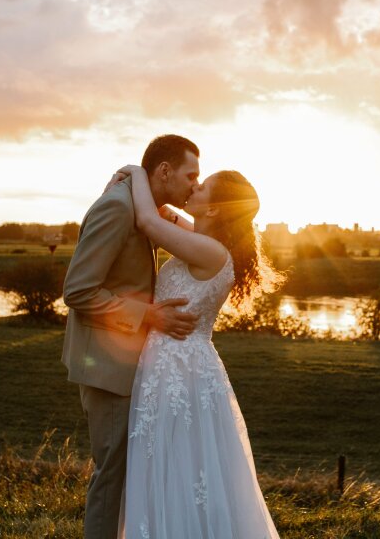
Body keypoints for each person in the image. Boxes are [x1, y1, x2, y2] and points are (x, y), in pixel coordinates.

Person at [115, 163, 282, 539]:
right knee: (177, 464)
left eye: (202, 186)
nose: (194, 186)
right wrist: (162, 200)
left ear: (214, 209)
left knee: (179, 463)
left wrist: (137, 173)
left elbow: (148, 221)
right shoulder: (205, 242)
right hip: (176, 362)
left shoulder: (209, 251)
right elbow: (165, 217)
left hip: (179, 367)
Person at [62, 135, 203, 539]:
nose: (195, 184)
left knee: (126, 475)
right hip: (105, 369)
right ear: (164, 171)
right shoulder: (116, 207)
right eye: (190, 174)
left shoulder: (143, 208)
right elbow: (78, 290)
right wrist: (149, 317)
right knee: (111, 476)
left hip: (126, 365)